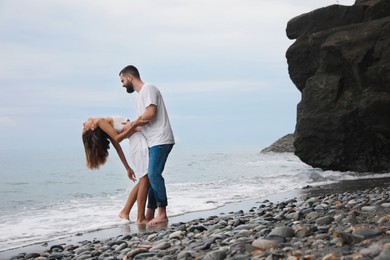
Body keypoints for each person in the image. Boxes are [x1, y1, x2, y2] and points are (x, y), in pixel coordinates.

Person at [118, 65, 175, 226]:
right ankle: (150, 213)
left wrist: (135, 123)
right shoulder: (139, 97)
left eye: (122, 80)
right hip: (152, 141)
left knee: (154, 175)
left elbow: (150, 114)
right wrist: (130, 126)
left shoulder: (148, 88)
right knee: (150, 178)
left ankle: (162, 213)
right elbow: (142, 123)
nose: (122, 84)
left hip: (161, 139)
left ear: (130, 77)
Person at [82, 116, 150, 224]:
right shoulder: (100, 122)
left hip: (137, 141)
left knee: (145, 179)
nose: (83, 123)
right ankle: (138, 217)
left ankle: (125, 212)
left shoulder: (105, 125)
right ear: (92, 128)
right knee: (145, 179)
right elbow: (118, 140)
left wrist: (127, 168)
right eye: (84, 127)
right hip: (137, 143)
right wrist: (135, 124)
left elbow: (118, 148)